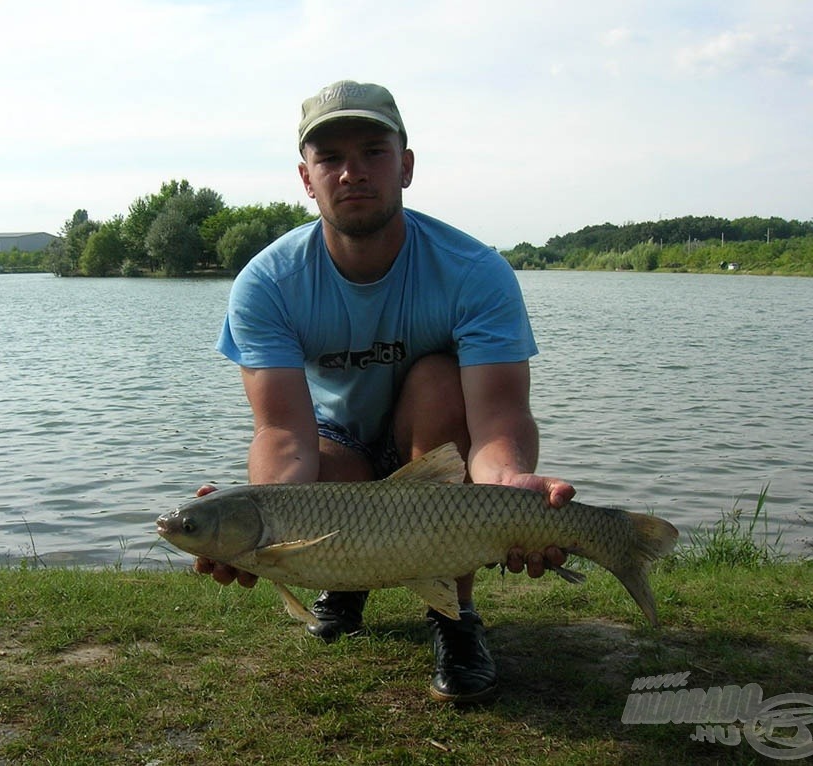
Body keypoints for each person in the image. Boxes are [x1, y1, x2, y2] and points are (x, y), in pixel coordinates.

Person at [194, 80, 576, 704]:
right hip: (338, 448)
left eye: (373, 151)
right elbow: (283, 433)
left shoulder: (475, 271)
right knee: (313, 468)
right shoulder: (267, 281)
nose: (352, 173)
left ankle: (454, 618)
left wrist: (510, 487)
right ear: (306, 176)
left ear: (406, 165)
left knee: (435, 379)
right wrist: (257, 520)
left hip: (434, 440)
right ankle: (343, 578)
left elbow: (498, 422)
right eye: (330, 159)